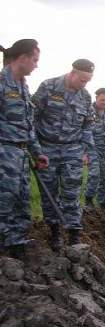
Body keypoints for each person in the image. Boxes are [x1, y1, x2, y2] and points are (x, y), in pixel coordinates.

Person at [32, 58, 95, 251]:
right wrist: (35, 149)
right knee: (49, 192)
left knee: (72, 193)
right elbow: (31, 118)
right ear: (73, 72)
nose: (85, 84)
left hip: (73, 151)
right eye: (83, 80)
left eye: (88, 81)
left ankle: (74, 234)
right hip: (47, 149)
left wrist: (85, 150)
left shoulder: (85, 96)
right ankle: (55, 234)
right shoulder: (48, 87)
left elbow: (87, 125)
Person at [0, 39, 48, 256]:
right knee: (3, 203)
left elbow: (28, 125)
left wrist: (37, 152)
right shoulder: (2, 82)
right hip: (3, 153)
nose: (36, 65)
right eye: (35, 60)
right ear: (23, 58)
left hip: (20, 155)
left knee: (21, 203)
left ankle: (15, 246)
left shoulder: (23, 86)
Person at [84, 88, 105, 209]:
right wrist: (84, 152)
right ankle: (88, 200)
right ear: (96, 98)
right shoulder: (88, 111)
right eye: (102, 100)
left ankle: (102, 202)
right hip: (92, 148)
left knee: (104, 176)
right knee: (94, 174)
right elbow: (83, 130)